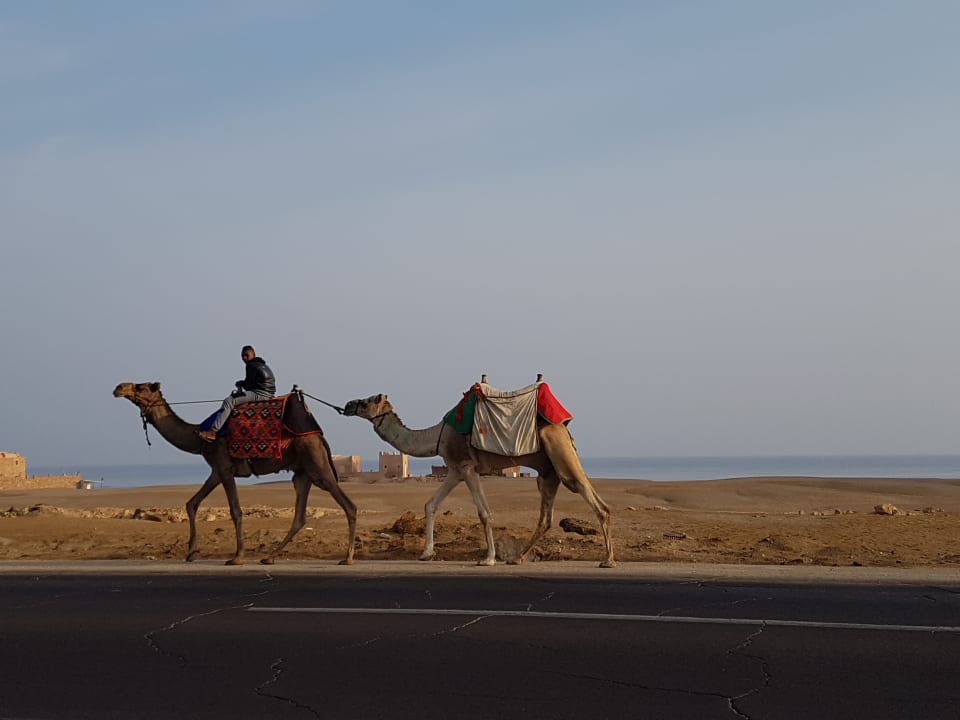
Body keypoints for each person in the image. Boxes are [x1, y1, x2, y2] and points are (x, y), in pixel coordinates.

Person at [197, 345, 276, 442]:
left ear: (253, 355)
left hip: (260, 393)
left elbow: (248, 385)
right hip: (267, 392)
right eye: (243, 356)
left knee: (229, 401)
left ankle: (213, 431)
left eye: (247, 355)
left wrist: (240, 383)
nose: (244, 358)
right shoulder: (262, 365)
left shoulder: (251, 365)